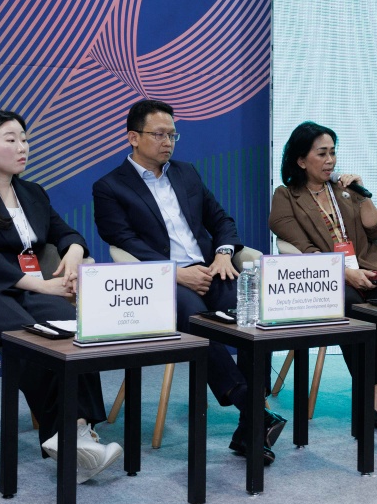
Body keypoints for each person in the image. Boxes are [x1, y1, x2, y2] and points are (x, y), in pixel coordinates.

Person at [92, 99, 286, 465]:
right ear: (133, 137)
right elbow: (123, 240)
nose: (168, 142)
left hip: (211, 269)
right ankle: (252, 408)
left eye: (172, 135)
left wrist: (224, 254)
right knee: (199, 321)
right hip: (166, 282)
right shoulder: (110, 187)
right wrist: (174, 273)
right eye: (159, 134)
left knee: (254, 312)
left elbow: (221, 220)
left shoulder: (186, 173)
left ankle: (250, 425)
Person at [0, 109, 121, 482]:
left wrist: (74, 251)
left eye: (24, 139)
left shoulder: (32, 193)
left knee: (74, 329)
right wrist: (40, 285)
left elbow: (65, 232)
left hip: (29, 288)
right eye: (11, 140)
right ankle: (70, 436)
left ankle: (76, 433)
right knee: (32, 340)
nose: (23, 147)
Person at [270, 122, 377, 428]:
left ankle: (375, 398)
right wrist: (345, 273)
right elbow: (304, 249)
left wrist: (362, 194)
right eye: (322, 153)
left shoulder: (345, 191)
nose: (330, 160)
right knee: (353, 306)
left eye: (333, 152)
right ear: (301, 160)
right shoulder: (286, 197)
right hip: (325, 277)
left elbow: (376, 230)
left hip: (368, 263)